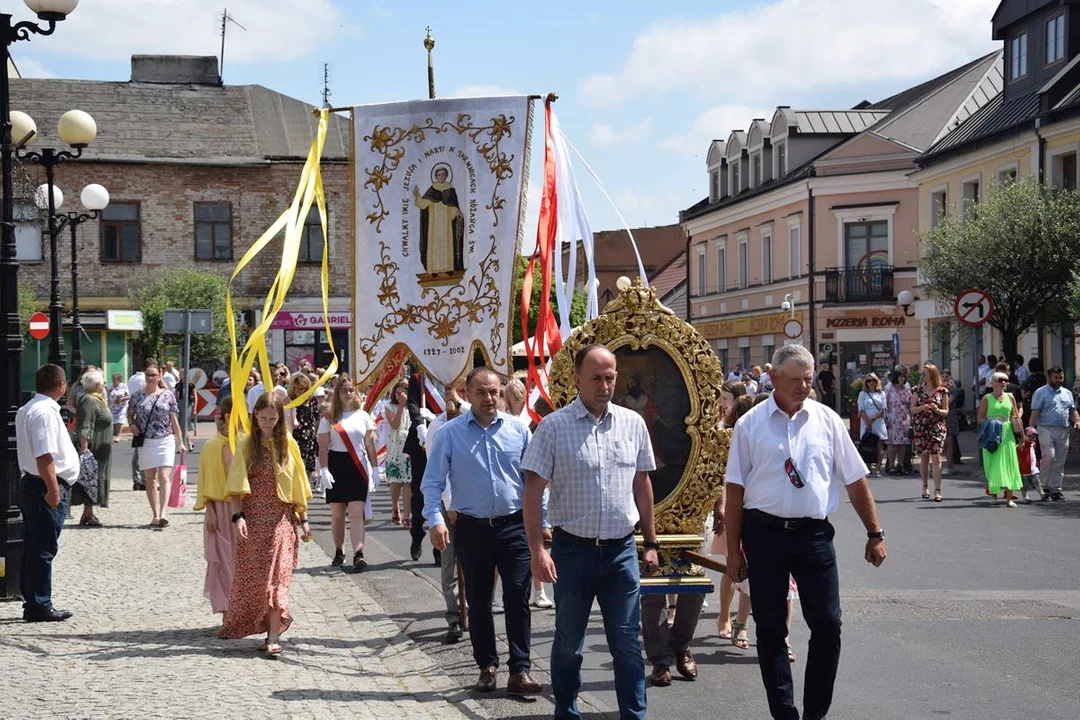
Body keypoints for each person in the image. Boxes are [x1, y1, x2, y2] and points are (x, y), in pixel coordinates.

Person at [724, 344, 886, 720]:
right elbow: (735, 489)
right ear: (775, 378)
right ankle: (784, 713)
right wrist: (734, 552)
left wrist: (874, 532)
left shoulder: (827, 420)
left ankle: (815, 712)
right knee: (770, 629)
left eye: (808, 379)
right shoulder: (750, 424)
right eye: (795, 379)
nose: (803, 386)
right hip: (764, 536)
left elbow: (855, 479)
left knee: (828, 625)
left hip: (814, 536)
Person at [521, 344, 659, 720]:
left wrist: (650, 542)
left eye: (610, 376)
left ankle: (634, 715)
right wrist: (537, 551)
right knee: (569, 643)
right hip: (572, 552)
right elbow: (532, 491)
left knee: (627, 644)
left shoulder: (632, 424)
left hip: (621, 552)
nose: (604, 384)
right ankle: (566, 711)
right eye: (596, 377)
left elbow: (642, 483)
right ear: (577, 378)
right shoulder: (553, 427)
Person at [421, 367, 540, 695]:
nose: (490, 398)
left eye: (495, 392)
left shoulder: (519, 430)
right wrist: (436, 519)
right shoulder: (451, 433)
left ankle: (520, 669)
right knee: (478, 599)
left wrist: (542, 523)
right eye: (482, 393)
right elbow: (432, 483)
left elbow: (534, 481)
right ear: (467, 394)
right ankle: (487, 665)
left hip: (514, 526)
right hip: (472, 528)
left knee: (517, 596)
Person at [219, 392, 312, 657]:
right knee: (258, 582)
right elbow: (236, 489)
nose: (268, 423)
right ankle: (254, 626)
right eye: (263, 418)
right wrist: (238, 518)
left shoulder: (288, 444)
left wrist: (303, 519)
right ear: (255, 416)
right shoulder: (247, 446)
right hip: (254, 522)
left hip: (282, 521)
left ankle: (273, 637)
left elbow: (297, 485)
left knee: (278, 580)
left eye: (273, 418)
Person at [16, 364, 80, 623]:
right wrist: (54, 490)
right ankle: (40, 604)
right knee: (43, 547)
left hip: (34, 483)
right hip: (44, 486)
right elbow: (44, 455)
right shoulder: (44, 412)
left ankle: (32, 600)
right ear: (62, 386)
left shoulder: (28, 409)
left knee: (33, 545)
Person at [317, 373, 378, 570]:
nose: (348, 393)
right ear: (337, 393)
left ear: (357, 392)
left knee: (356, 512)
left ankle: (358, 553)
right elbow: (323, 446)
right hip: (336, 465)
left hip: (357, 466)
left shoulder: (363, 416)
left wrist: (375, 468)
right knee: (337, 514)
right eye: (344, 390)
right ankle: (339, 551)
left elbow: (369, 445)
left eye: (352, 390)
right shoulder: (329, 417)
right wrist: (324, 469)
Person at [426, 393, 467, 644]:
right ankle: (454, 617)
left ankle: (471, 610)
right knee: (448, 564)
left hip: (473, 506)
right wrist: (449, 503)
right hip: (447, 504)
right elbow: (436, 471)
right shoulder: (437, 427)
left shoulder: (473, 422)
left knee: (476, 564)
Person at [194, 397, 236, 614]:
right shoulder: (212, 447)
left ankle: (242, 609)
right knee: (223, 559)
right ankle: (227, 609)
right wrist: (209, 510)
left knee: (242, 560)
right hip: (220, 509)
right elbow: (206, 482)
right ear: (228, 417)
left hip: (243, 510)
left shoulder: (246, 443)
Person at [129, 363, 184, 527]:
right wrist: (131, 425)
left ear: (160, 376)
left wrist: (181, 442)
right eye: (148, 375)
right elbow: (130, 415)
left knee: (164, 476)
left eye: (153, 375)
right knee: (150, 479)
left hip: (165, 439)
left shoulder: (168, 395)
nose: (150, 378)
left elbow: (174, 420)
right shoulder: (137, 396)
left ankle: (163, 514)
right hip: (146, 441)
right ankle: (154, 514)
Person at [713, 379, 747, 639]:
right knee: (730, 565)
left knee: (754, 567)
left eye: (726, 399)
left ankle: (743, 620)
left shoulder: (748, 426)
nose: (723, 404)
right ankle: (724, 616)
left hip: (753, 505)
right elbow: (721, 475)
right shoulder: (721, 429)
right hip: (730, 501)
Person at [1029, 365, 1079, 502]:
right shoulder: (1041, 392)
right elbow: (1035, 412)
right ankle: (1044, 487)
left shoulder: (1067, 393)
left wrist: (1077, 421)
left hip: (1063, 429)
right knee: (1049, 457)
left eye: (1061, 377)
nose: (1059, 380)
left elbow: (1073, 410)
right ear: (1049, 377)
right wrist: (1030, 429)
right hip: (1045, 429)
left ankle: (1056, 489)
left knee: (1060, 460)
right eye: (1056, 378)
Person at [72, 369, 113, 526]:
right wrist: (84, 449)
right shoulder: (89, 400)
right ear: (97, 384)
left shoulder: (97, 399)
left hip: (102, 446)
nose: (105, 384)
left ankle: (88, 513)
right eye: (103, 381)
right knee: (91, 478)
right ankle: (88, 514)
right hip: (94, 446)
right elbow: (85, 425)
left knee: (95, 478)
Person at [978, 372, 1024, 507]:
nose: (1003, 382)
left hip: (1007, 434)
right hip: (992, 434)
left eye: (1005, 380)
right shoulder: (987, 398)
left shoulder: (1010, 397)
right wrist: (991, 423)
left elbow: (1015, 416)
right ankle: (994, 496)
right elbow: (980, 417)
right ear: (992, 382)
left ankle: (1009, 498)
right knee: (992, 464)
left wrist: (1021, 435)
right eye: (1000, 380)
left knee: (1009, 464)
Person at [413, 163, 465, 275]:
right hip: (434, 222)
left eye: (443, 174)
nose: (441, 176)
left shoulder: (450, 189)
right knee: (434, 245)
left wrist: (457, 212)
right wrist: (417, 195)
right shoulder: (432, 190)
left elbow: (453, 205)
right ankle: (434, 270)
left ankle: (448, 268)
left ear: (446, 176)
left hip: (446, 221)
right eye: (439, 174)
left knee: (447, 244)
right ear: (436, 176)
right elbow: (422, 204)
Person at [911, 363, 948, 502]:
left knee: (936, 457)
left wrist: (936, 410)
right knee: (924, 457)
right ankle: (925, 486)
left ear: (932, 374)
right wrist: (923, 407)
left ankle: (937, 490)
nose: (922, 376)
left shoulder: (942, 391)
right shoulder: (917, 390)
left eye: (925, 373)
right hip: (921, 427)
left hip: (937, 427)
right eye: (922, 373)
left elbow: (946, 411)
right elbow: (912, 409)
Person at [404, 372, 429, 562]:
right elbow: (412, 402)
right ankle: (417, 531)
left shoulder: (454, 369)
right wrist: (420, 424)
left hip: (447, 432)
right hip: (421, 440)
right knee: (419, 490)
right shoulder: (419, 377)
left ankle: (441, 548)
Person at [383, 379, 413, 526]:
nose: (401, 395)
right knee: (396, 482)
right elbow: (395, 425)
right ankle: (395, 507)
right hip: (396, 445)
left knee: (408, 481)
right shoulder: (389, 407)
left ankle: (407, 515)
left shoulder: (413, 406)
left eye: (404, 392)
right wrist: (401, 406)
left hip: (410, 444)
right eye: (398, 392)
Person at [287, 374, 320, 484]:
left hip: (309, 434)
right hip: (293, 434)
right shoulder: (289, 399)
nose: (299, 391)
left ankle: (307, 485)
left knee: (309, 463)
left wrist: (317, 434)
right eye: (297, 388)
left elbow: (317, 417)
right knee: (294, 462)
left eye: (302, 389)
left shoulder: (312, 399)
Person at [127, 358, 153, 491]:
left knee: (139, 451)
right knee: (142, 452)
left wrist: (131, 424)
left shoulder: (132, 379)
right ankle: (143, 480)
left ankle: (138, 480)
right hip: (146, 420)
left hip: (138, 419)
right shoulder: (144, 383)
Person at [857, 373, 887, 477]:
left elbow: (883, 409)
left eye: (873, 380)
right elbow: (861, 409)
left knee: (879, 446)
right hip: (866, 421)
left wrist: (873, 419)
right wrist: (868, 421)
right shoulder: (862, 394)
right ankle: (868, 468)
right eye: (868, 381)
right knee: (867, 445)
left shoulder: (882, 394)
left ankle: (878, 468)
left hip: (878, 421)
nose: (871, 383)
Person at [884, 369, 912, 474]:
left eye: (903, 377)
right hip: (892, 418)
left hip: (904, 418)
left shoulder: (906, 388)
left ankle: (900, 465)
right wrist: (885, 419)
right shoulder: (889, 388)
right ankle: (891, 465)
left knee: (903, 443)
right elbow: (884, 404)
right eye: (900, 377)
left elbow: (909, 403)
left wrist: (912, 418)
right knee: (892, 443)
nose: (902, 379)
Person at [943, 369, 965, 471]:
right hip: (940, 416)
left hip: (950, 416)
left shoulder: (952, 389)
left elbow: (948, 402)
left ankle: (950, 465)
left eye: (946, 376)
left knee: (949, 442)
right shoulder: (939, 389)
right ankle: (941, 465)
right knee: (941, 443)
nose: (944, 378)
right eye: (942, 376)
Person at [1017, 427, 1045, 504]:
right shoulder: (1021, 445)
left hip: (1033, 468)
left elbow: (1034, 455)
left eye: (1033, 437)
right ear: (1024, 436)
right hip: (1023, 469)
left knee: (1037, 481)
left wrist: (1037, 464)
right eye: (1029, 436)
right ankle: (1025, 497)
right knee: (1024, 484)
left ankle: (1042, 493)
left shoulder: (1034, 444)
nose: (1031, 438)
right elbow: (1019, 451)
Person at [107, 373, 129, 443]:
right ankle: (114, 434)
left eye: (115, 379)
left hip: (121, 406)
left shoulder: (123, 386)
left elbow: (128, 396)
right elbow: (107, 395)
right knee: (113, 421)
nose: (113, 381)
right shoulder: (111, 386)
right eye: (113, 379)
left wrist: (121, 400)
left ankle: (118, 435)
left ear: (119, 380)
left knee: (119, 420)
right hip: (112, 406)